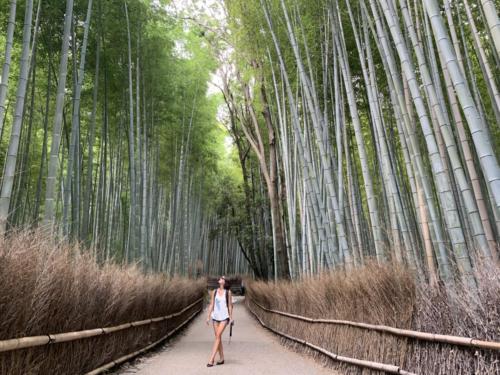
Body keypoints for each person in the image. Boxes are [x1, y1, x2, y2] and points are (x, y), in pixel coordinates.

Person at [206, 275, 233, 367]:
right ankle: (221, 358)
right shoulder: (214, 292)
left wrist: (231, 317)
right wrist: (208, 316)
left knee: (217, 336)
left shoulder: (228, 292)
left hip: (224, 317)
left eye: (222, 278)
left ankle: (211, 359)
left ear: (225, 282)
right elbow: (211, 304)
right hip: (215, 317)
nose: (220, 279)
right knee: (218, 337)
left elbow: (230, 305)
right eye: (220, 278)